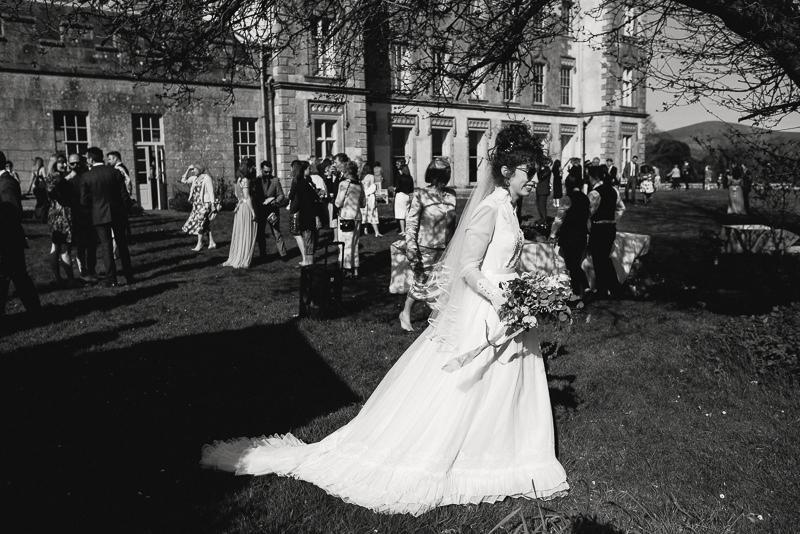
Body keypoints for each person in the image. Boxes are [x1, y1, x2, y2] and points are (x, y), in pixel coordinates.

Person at [201, 122, 570, 515]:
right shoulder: (489, 209)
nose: (535, 179)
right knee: (468, 388)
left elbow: (503, 262)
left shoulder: (511, 209)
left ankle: (510, 454)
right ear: (509, 171)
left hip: (511, 313)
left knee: (509, 387)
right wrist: (504, 297)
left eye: (536, 172)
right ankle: (468, 454)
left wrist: (531, 289)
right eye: (530, 172)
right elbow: (467, 266)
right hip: (490, 310)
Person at [398, 157, 456, 332]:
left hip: (446, 248)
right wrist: (411, 247)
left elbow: (453, 222)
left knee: (442, 284)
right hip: (425, 248)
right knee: (421, 283)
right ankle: (406, 313)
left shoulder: (451, 195)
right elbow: (412, 223)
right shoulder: (421, 195)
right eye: (445, 174)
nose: (448, 177)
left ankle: (439, 319)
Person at [80, 147, 134, 287]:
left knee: (106, 246)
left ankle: (112, 278)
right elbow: (124, 195)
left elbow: (84, 202)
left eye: (87, 158)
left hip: (99, 214)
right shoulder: (115, 172)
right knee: (122, 245)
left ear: (91, 159)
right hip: (117, 213)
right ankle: (129, 276)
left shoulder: (86, 176)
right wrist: (127, 209)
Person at [0, 150, 41, 317]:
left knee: (16, 276)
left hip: (8, 239)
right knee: (14, 276)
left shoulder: (6, 183)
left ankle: (35, 311)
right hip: (7, 239)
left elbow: (13, 212)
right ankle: (34, 310)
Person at [549, 172, 590, 299]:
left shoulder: (567, 198)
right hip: (581, 233)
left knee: (572, 265)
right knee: (576, 263)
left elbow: (559, 218)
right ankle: (585, 289)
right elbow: (588, 216)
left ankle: (579, 291)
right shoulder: (585, 198)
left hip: (569, 234)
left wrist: (553, 233)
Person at [588, 167, 625, 299]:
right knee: (604, 257)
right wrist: (614, 219)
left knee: (599, 259)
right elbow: (621, 208)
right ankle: (613, 287)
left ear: (593, 178)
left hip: (598, 228)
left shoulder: (594, 193)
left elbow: (589, 211)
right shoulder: (614, 190)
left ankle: (604, 289)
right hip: (610, 228)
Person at [44, 153, 76, 286]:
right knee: (65, 249)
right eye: (60, 162)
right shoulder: (57, 177)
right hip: (62, 215)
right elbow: (52, 188)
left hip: (54, 214)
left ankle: (59, 279)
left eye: (64, 162)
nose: (64, 165)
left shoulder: (52, 176)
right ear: (54, 164)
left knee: (55, 247)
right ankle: (71, 280)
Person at [65, 154, 97, 281]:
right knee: (80, 246)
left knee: (92, 245)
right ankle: (83, 272)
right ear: (69, 164)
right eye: (72, 164)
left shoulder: (87, 176)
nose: (75, 166)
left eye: (77, 163)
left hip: (90, 215)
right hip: (77, 217)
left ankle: (92, 270)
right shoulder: (68, 180)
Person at [223, 158, 258, 268]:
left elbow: (239, 195)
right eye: (252, 166)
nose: (254, 168)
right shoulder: (246, 180)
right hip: (246, 208)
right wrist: (253, 212)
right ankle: (243, 259)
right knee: (247, 232)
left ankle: (239, 255)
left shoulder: (239, 179)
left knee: (241, 233)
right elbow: (247, 197)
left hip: (240, 208)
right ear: (248, 168)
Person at [334, 160, 366, 277]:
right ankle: (356, 268)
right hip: (357, 216)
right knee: (355, 243)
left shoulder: (344, 184)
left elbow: (338, 202)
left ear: (347, 171)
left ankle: (346, 268)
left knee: (346, 243)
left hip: (346, 216)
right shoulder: (359, 185)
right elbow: (363, 203)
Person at [287, 160, 318, 266]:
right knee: (305, 236)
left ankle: (306, 259)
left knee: (299, 234)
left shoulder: (298, 181)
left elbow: (291, 196)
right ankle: (307, 259)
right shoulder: (305, 181)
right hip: (305, 211)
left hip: (299, 210)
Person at [180, 163, 218, 251]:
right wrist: (188, 170)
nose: (193, 171)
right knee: (205, 224)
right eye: (192, 170)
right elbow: (183, 180)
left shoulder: (206, 178)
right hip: (197, 205)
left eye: (194, 169)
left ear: (199, 169)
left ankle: (199, 244)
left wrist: (213, 205)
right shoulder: (194, 178)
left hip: (205, 204)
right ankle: (212, 242)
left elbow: (211, 192)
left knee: (200, 223)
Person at [360, 163, 382, 236]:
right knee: (372, 213)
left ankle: (365, 229)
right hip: (369, 197)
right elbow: (372, 186)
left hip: (363, 196)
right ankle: (377, 232)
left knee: (364, 213)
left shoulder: (362, 177)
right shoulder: (371, 176)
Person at [394, 163, 414, 235]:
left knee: (401, 214)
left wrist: (394, 190)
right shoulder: (410, 178)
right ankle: (408, 229)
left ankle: (403, 230)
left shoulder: (399, 177)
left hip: (400, 195)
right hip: (407, 196)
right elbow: (411, 189)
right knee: (407, 213)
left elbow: (398, 187)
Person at [30, 156, 50, 223]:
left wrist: (29, 189)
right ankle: (42, 217)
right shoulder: (42, 169)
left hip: (36, 187)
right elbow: (45, 178)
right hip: (42, 187)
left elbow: (31, 180)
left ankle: (36, 216)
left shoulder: (33, 169)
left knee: (39, 202)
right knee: (44, 203)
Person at [535, 160, 551, 224]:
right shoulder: (540, 170)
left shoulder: (547, 170)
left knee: (542, 206)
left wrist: (541, 170)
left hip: (544, 190)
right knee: (538, 205)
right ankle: (542, 218)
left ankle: (544, 219)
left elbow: (542, 177)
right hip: (539, 189)